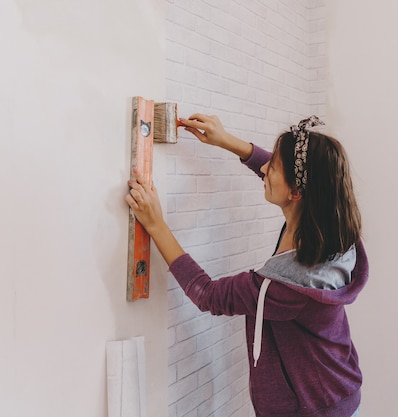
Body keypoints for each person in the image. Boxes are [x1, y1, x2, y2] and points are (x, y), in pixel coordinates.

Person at [126, 114, 368, 417]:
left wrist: (155, 223)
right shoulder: (334, 230)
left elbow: (208, 295)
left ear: (296, 192)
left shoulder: (284, 285)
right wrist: (227, 141)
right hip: (340, 392)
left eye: (274, 167)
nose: (265, 168)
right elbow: (294, 175)